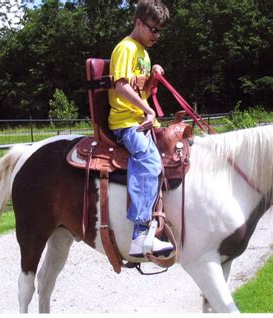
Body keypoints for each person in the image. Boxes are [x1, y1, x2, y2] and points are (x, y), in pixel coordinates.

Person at [108, 0, 173, 258]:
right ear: (138, 23)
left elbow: (141, 91)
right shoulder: (126, 48)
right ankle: (139, 234)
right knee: (148, 161)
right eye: (153, 29)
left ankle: (163, 220)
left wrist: (153, 77)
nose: (156, 35)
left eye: (159, 31)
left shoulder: (144, 54)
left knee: (174, 150)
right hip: (126, 122)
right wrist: (147, 110)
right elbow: (121, 87)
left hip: (143, 119)